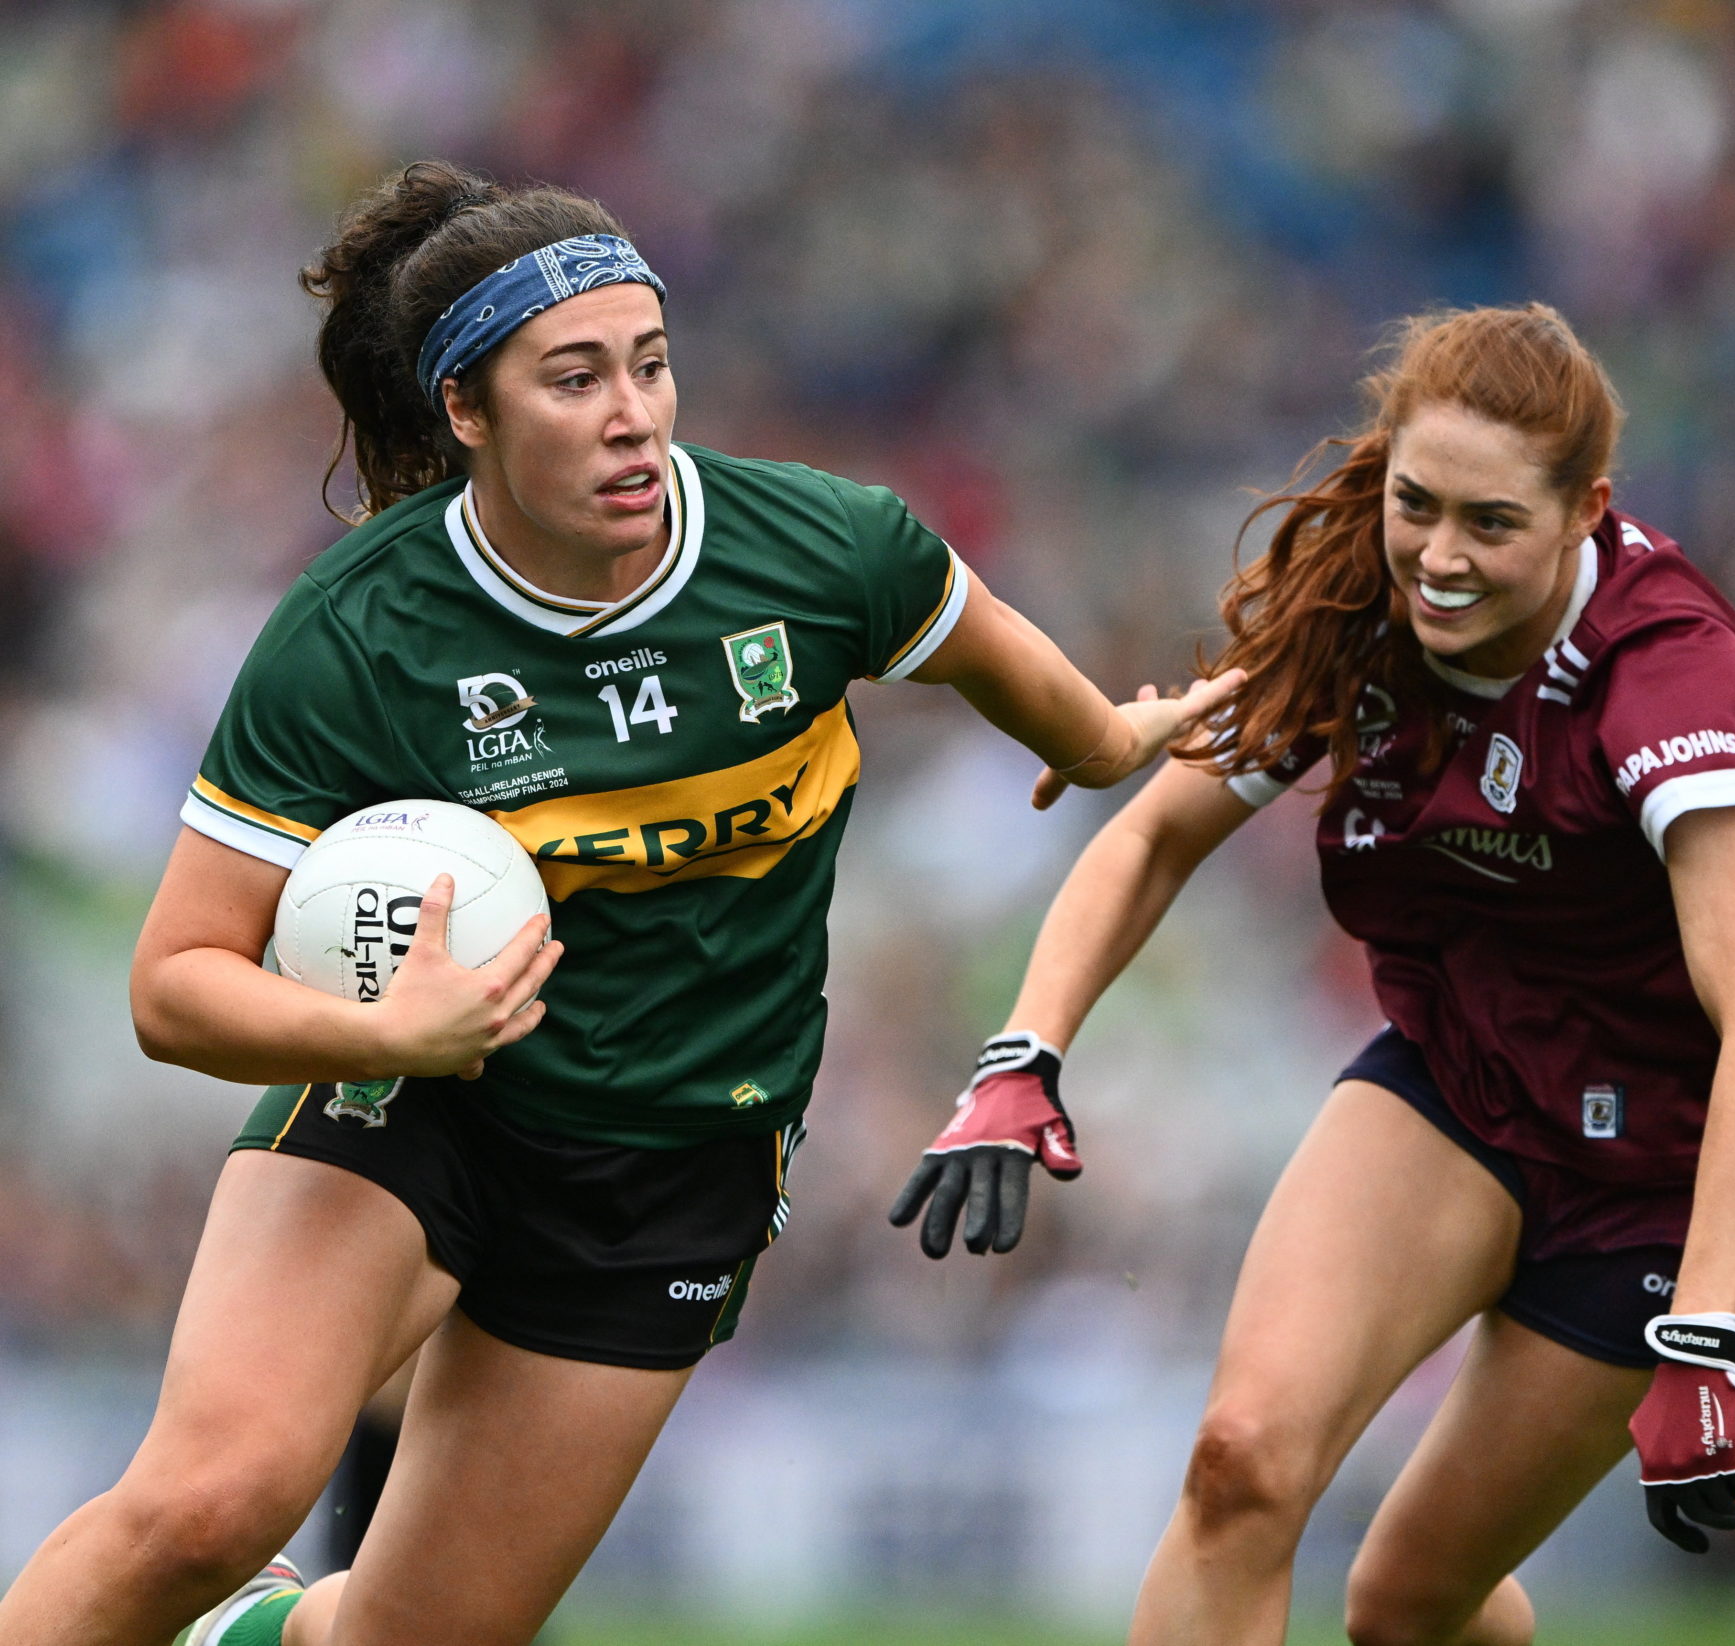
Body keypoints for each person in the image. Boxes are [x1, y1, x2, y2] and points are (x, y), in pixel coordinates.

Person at [0, 160, 1240, 1646]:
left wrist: (1120, 737)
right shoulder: (354, 636)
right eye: (573, 378)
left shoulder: (828, 550)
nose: (632, 413)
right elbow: (174, 982)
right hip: (419, 1105)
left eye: (649, 365)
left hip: (673, 1164)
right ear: (467, 410)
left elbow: (1052, 705)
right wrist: (385, 1030)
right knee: (206, 1504)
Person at [891, 304, 1735, 1644]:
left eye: (1491, 525)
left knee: (1406, 1604)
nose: (1441, 561)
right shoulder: (1362, 597)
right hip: (1464, 1076)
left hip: (1671, 1164)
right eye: (1419, 504)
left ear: (1588, 509)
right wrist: (1022, 1052)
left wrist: (1702, 1329)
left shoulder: (1669, 679)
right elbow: (1156, 838)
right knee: (1239, 1463)